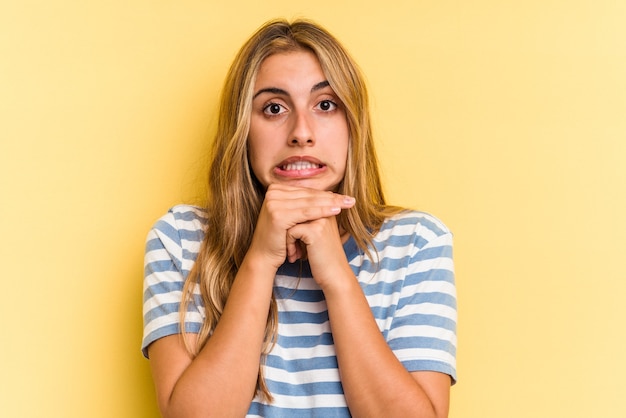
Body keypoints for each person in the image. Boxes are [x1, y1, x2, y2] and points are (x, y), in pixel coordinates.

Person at [142, 18, 457, 418]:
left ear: (352, 124)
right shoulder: (180, 238)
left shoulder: (417, 242)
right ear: (243, 129)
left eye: (325, 105)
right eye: (273, 108)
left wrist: (337, 278)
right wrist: (259, 260)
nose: (301, 133)